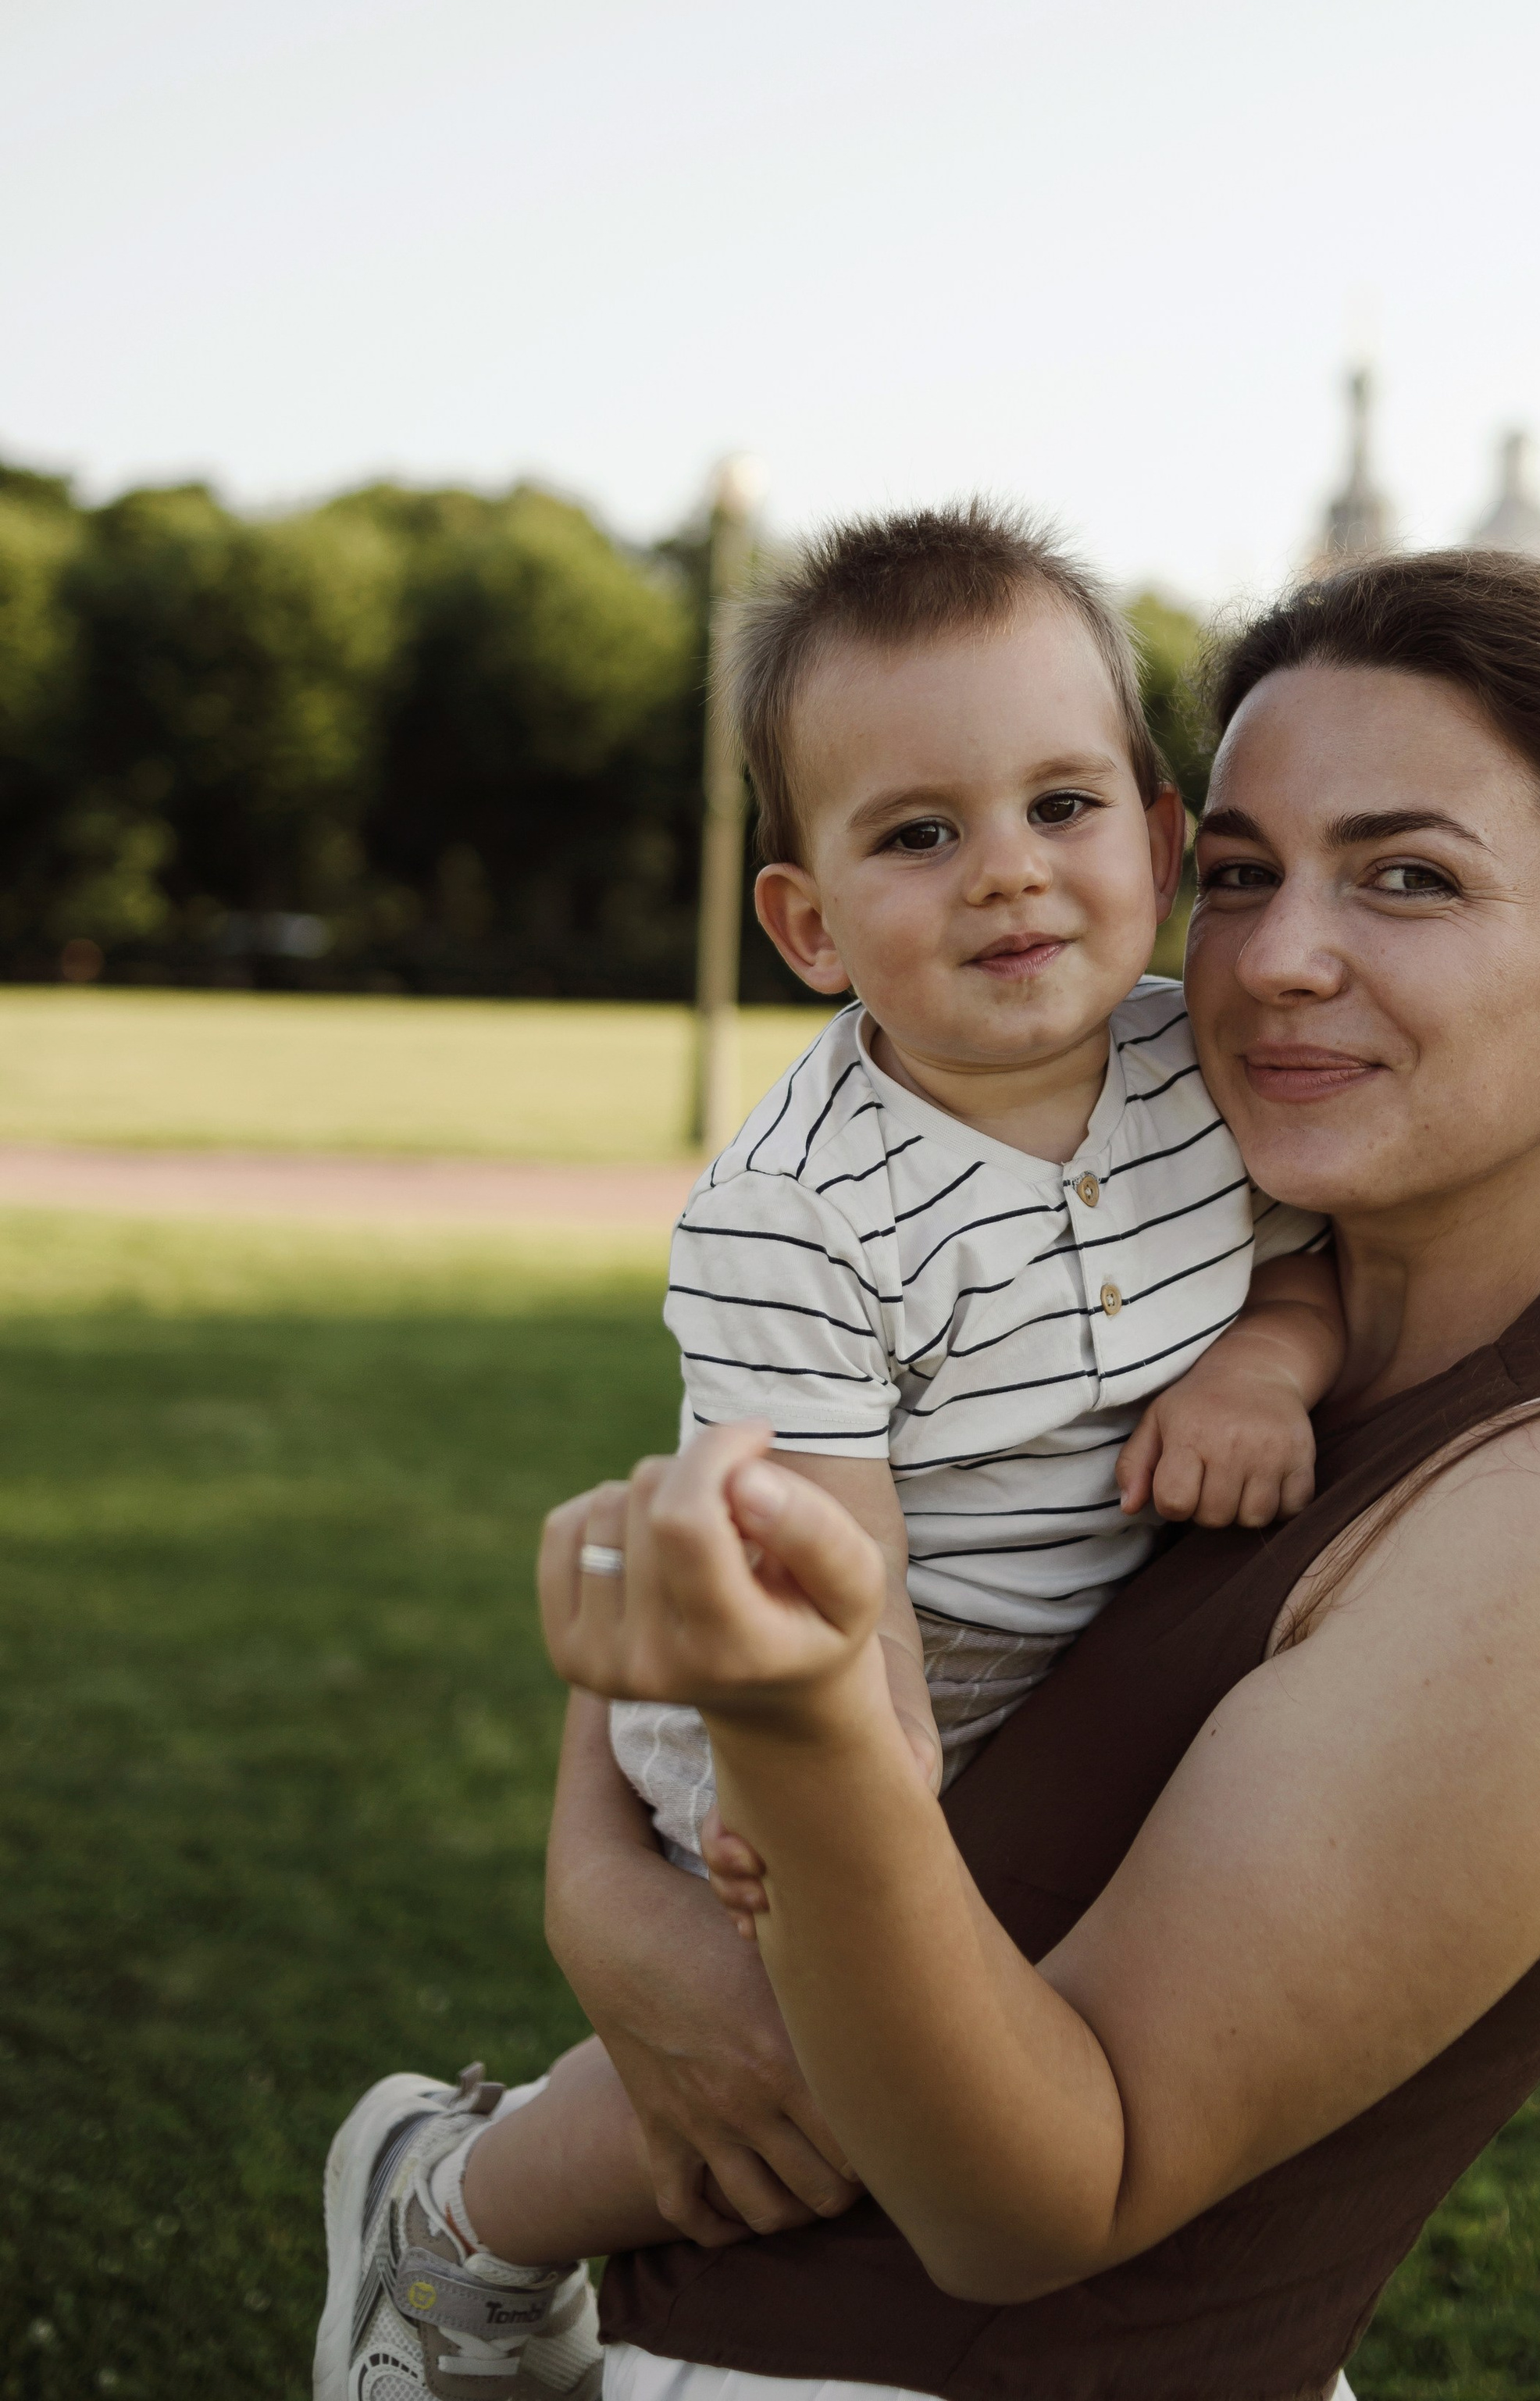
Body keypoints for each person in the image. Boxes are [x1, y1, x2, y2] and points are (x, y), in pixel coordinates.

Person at [532, 549, 1540, 2401]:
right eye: (1237, 875)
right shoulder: (1163, 1298)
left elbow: (1039, 2205)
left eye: (1407, 876)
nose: (1279, 952)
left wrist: (782, 1760)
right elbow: (778, 1534)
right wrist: (597, 1887)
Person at [315, 506, 1342, 2401]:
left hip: (1056, 1670)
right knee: (805, 2066)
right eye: (918, 834)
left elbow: (1302, 1276)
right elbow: (818, 1546)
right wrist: (839, 1807)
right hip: (816, 1672)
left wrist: (1264, 1370)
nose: (1008, 879)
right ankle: (457, 2213)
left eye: (1060, 806)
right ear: (804, 921)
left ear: (1162, 836)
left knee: (1039, 2050)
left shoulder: (1196, 1064)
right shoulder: (791, 1210)